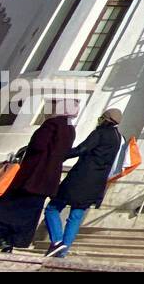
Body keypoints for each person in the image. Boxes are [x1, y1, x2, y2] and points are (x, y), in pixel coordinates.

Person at [0, 99, 78, 253]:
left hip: (31, 176)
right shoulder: (70, 129)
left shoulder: (52, 124)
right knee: (27, 214)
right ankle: (9, 242)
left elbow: (38, 145)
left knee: (6, 207)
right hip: (48, 180)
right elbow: (64, 152)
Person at [43, 107, 124, 258]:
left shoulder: (100, 133)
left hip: (80, 178)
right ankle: (62, 252)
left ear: (105, 119)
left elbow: (82, 149)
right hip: (97, 183)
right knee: (76, 215)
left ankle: (57, 241)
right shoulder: (118, 137)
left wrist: (59, 155)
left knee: (52, 208)